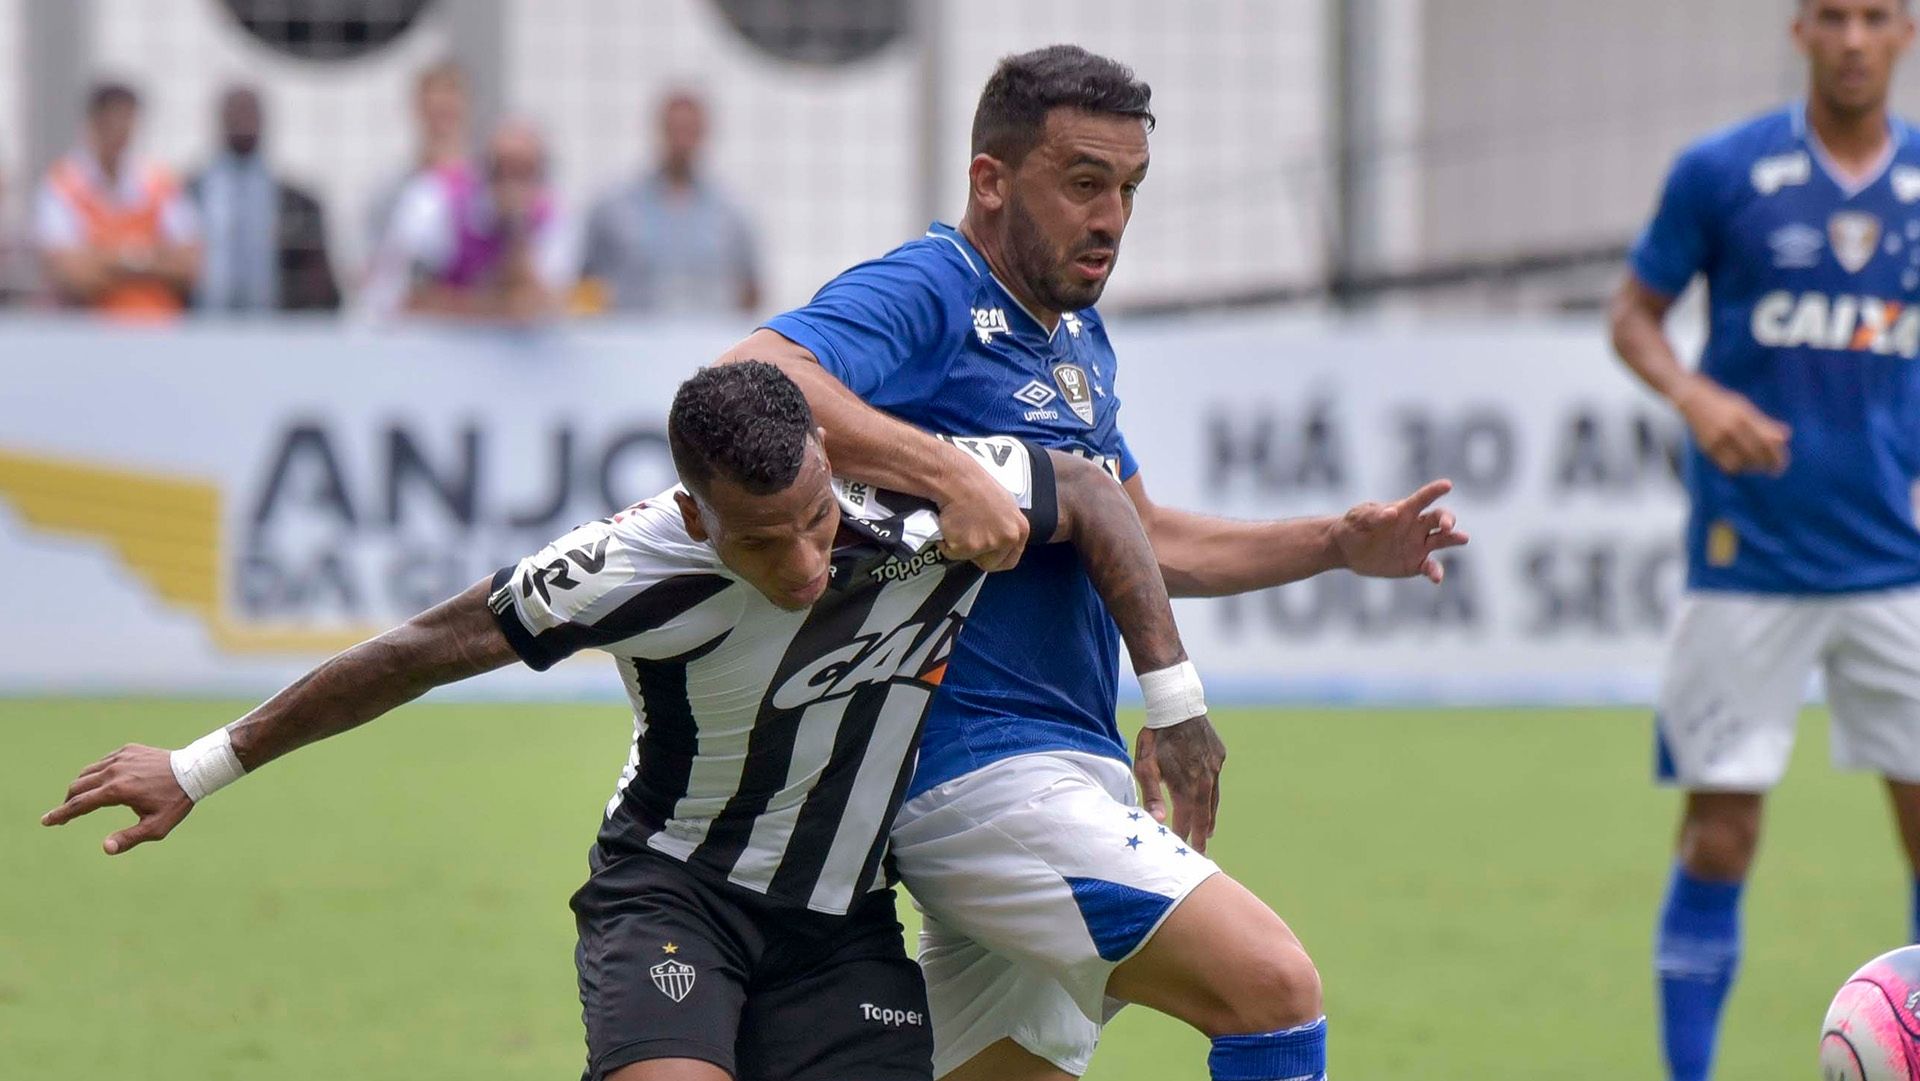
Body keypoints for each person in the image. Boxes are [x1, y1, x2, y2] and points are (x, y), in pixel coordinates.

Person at [42, 360, 1211, 1081]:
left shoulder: (919, 500)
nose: (807, 560)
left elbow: (1101, 500)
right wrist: (197, 768)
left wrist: (1176, 701)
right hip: (673, 898)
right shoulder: (621, 567)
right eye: (765, 539)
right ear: (698, 520)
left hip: (843, 923)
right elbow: (413, 654)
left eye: (813, 516)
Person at [720, 45, 1467, 1081]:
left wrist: (1334, 545)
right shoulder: (934, 286)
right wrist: (949, 474)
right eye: (1082, 182)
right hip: (975, 774)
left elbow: (1140, 534)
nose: (1111, 216)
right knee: (1272, 990)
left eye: (1128, 188)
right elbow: (752, 376)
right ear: (990, 178)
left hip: (1069, 764)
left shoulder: (1077, 341)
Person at [1609, 2, 1920, 1079]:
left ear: (1904, 35)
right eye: (1831, 15)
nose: (1851, 37)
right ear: (1800, 32)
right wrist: (1696, 398)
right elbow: (1633, 317)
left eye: (1874, 16)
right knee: (1723, 831)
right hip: (1750, 561)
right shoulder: (1724, 171)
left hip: (1899, 560)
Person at [363, 118, 578, 322]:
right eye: (502, 170)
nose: (511, 185)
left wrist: (517, 232)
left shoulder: (553, 217)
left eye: (524, 172)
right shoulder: (435, 201)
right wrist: (496, 309)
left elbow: (542, 308)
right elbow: (402, 301)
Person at [580, 91, 761, 315]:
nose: (682, 140)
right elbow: (585, 282)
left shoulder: (732, 213)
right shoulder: (613, 207)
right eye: (675, 129)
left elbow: (750, 290)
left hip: (709, 343)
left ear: (703, 134)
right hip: (631, 343)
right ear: (660, 129)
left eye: (690, 130)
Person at [34, 81, 200, 319]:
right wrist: (148, 259)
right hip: (87, 335)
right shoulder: (61, 186)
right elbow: (73, 275)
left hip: (157, 331)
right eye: (113, 122)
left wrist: (106, 259)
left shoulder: (159, 183)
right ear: (94, 122)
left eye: (128, 122)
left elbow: (188, 267)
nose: (121, 132)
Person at [189, 84, 340, 313]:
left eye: (249, 113)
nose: (242, 121)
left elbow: (321, 286)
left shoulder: (298, 203)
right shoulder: (187, 195)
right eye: (235, 112)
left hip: (275, 334)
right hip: (197, 331)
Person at [364, 59, 472, 263]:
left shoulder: (484, 185)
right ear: (417, 108)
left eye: (449, 107)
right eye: (434, 108)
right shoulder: (389, 188)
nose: (441, 115)